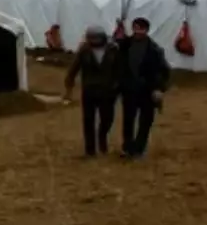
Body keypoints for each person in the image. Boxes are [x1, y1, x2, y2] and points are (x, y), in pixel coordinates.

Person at [115, 17, 171, 159]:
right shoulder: (124, 45)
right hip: (129, 90)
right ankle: (127, 148)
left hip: (147, 90)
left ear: (147, 30)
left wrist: (159, 88)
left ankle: (139, 149)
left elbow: (163, 71)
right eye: (136, 27)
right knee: (128, 120)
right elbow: (116, 65)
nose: (138, 31)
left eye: (141, 28)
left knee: (145, 122)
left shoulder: (155, 50)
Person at [64, 26, 120, 158]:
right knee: (88, 120)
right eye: (91, 38)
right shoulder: (84, 50)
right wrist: (69, 84)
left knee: (107, 119)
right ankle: (90, 150)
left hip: (108, 91)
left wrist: (117, 86)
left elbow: (119, 68)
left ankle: (102, 137)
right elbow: (74, 68)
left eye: (96, 38)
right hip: (89, 90)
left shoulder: (113, 49)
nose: (94, 41)